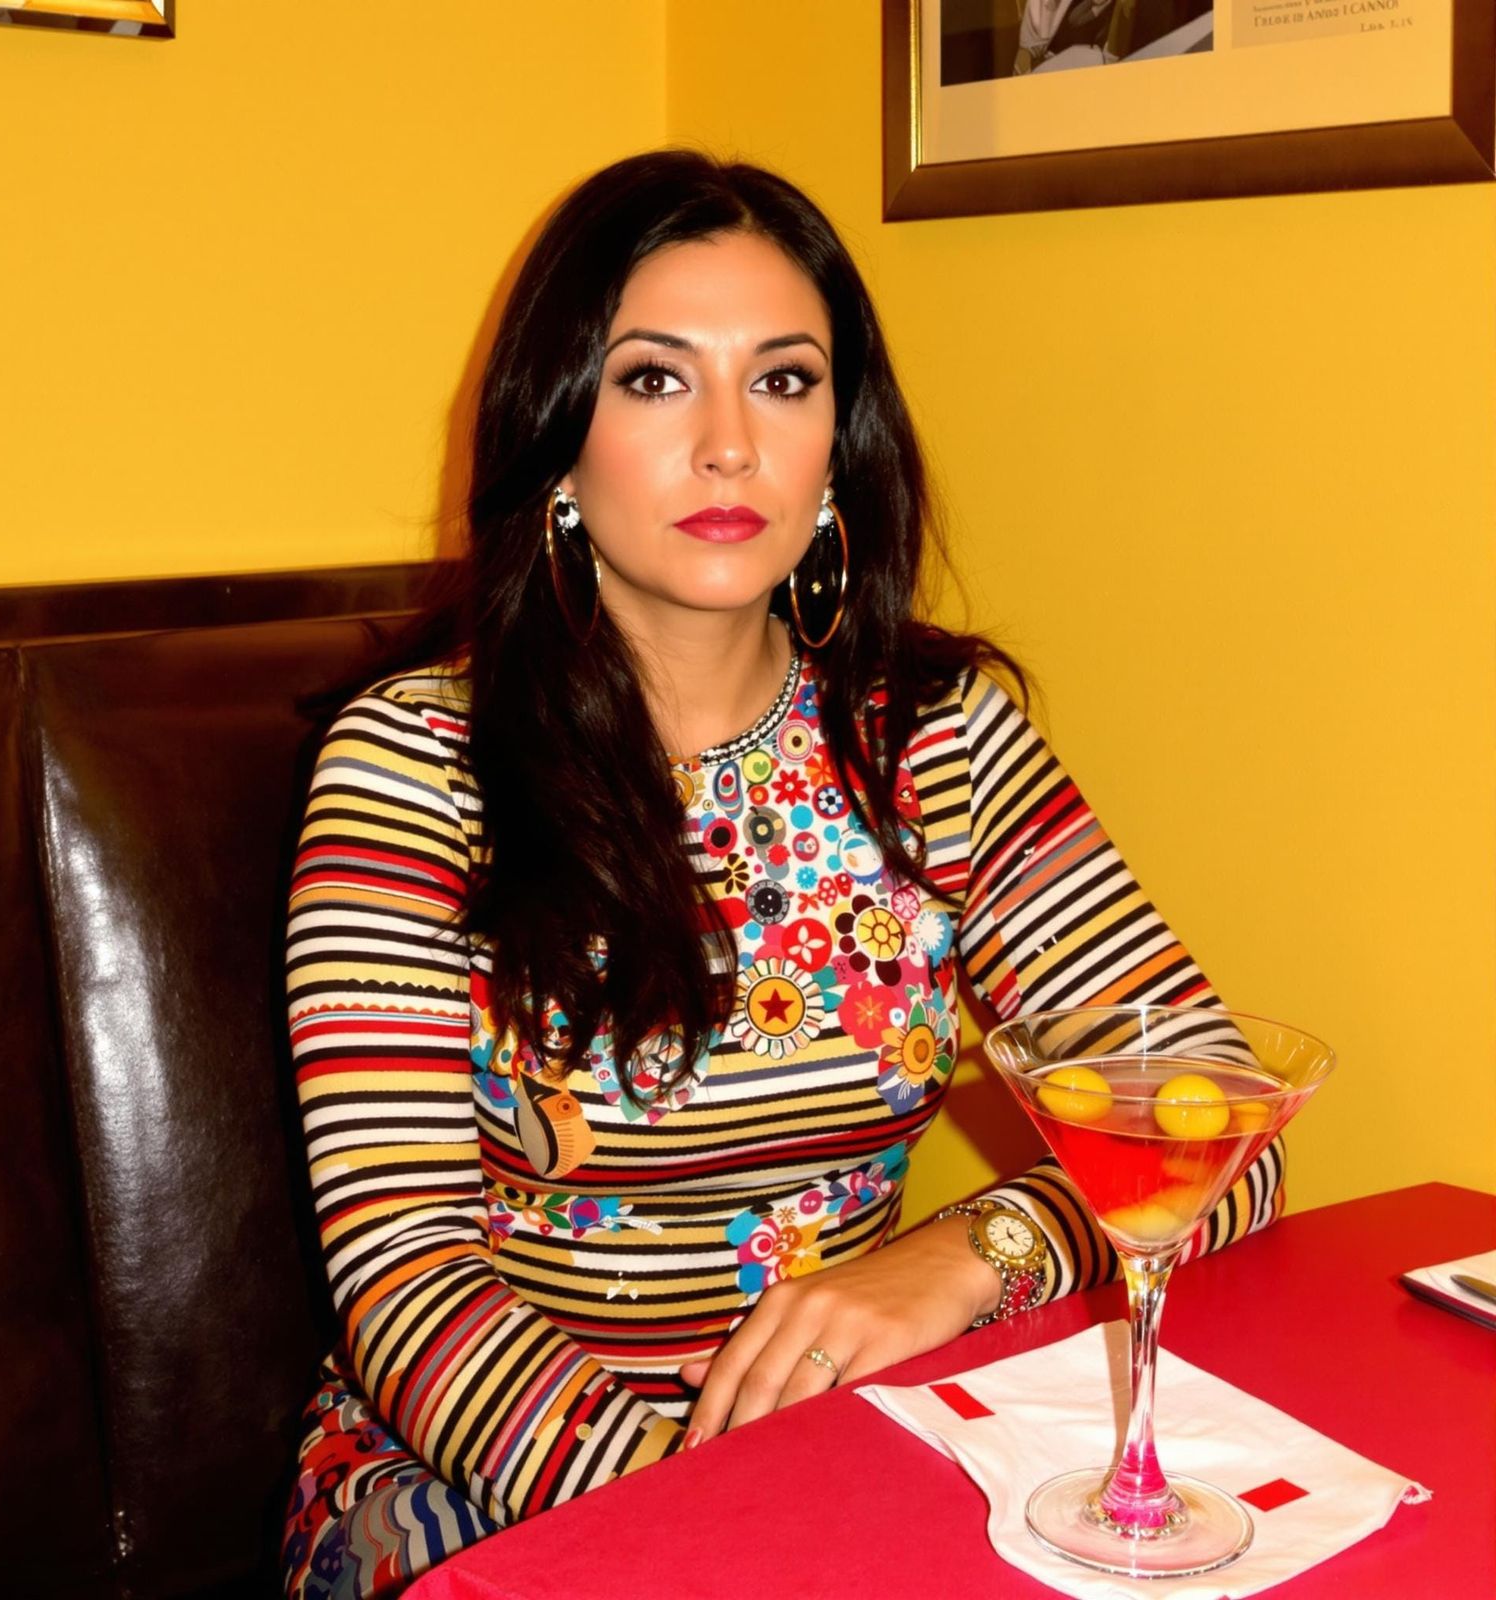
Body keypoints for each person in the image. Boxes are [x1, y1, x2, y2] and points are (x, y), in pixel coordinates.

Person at [279, 148, 1283, 1599]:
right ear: (557, 436)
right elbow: (403, 1272)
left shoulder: (934, 739)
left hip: (855, 1464)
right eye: (654, 379)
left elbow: (1217, 1119)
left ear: (838, 441)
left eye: (784, 380)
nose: (731, 444)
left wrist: (970, 1253)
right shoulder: (419, 763)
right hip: (483, 1490)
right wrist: (709, 1515)